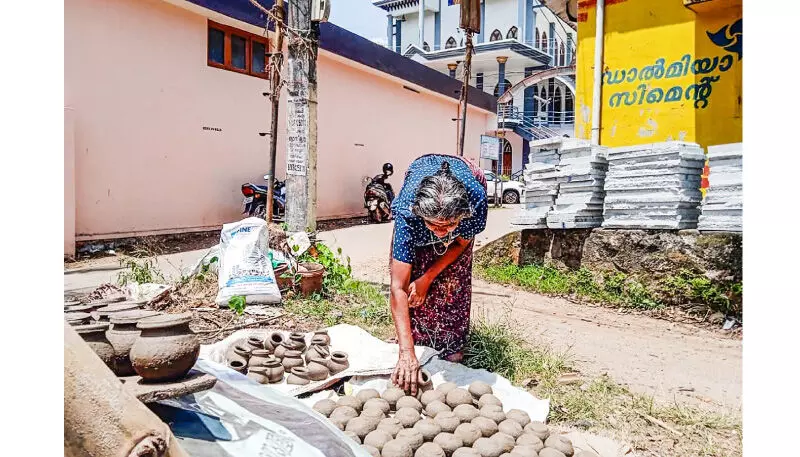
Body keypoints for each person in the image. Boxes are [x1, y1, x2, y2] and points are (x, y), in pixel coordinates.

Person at [388, 154, 488, 394]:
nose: (442, 232)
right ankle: (414, 341)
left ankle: (451, 343)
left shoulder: (474, 204)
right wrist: (406, 353)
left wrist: (428, 278)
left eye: (449, 225)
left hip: (465, 182)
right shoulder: (407, 213)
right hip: (419, 194)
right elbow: (398, 287)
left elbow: (459, 244)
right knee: (411, 277)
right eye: (434, 225)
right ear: (420, 215)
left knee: (452, 280)